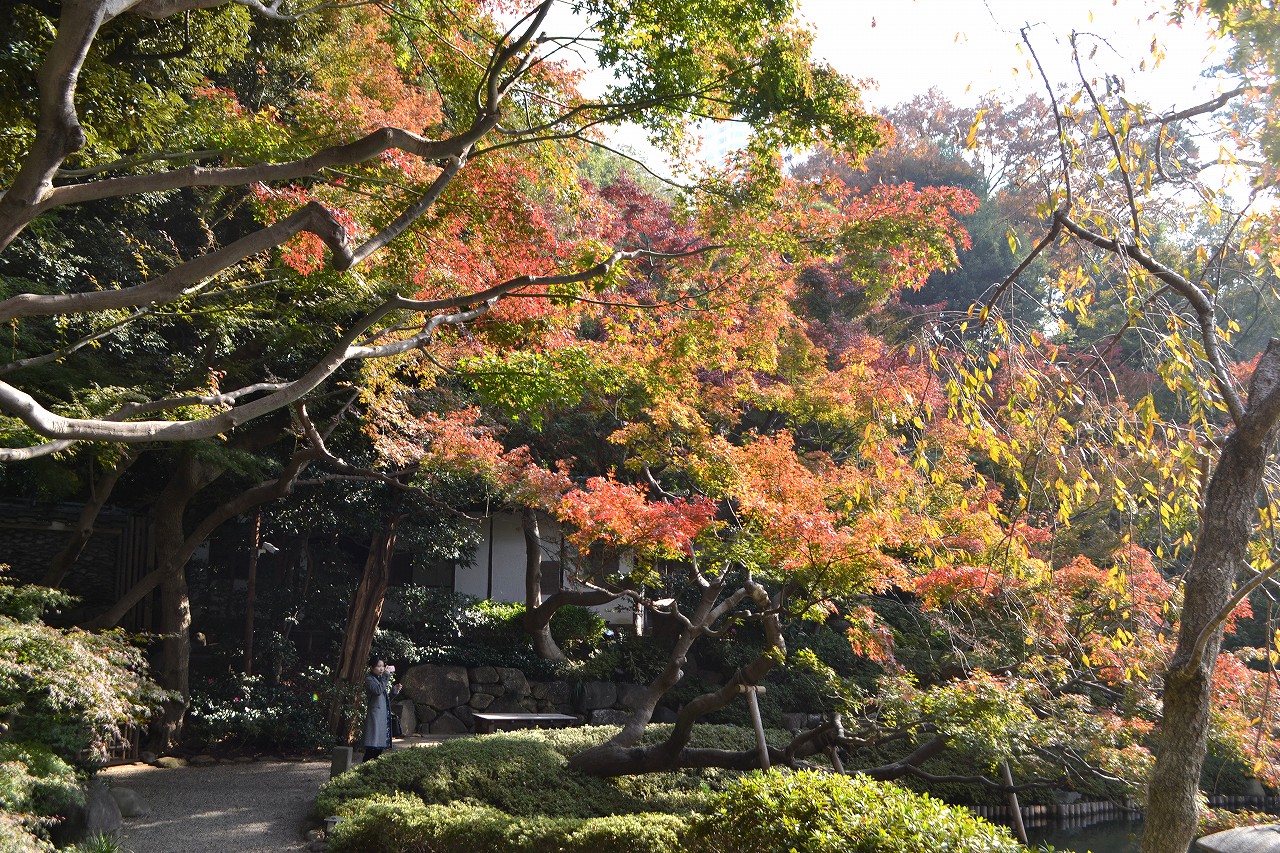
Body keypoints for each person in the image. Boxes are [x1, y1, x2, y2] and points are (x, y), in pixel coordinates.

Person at [361, 657, 401, 761]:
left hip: (381, 717)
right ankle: (365, 768)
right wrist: (386, 675)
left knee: (379, 749)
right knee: (372, 748)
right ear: (371, 667)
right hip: (375, 717)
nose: (382, 669)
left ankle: (370, 769)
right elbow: (377, 691)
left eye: (383, 666)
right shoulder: (369, 679)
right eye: (379, 666)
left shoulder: (379, 679)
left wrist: (394, 692)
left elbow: (385, 699)